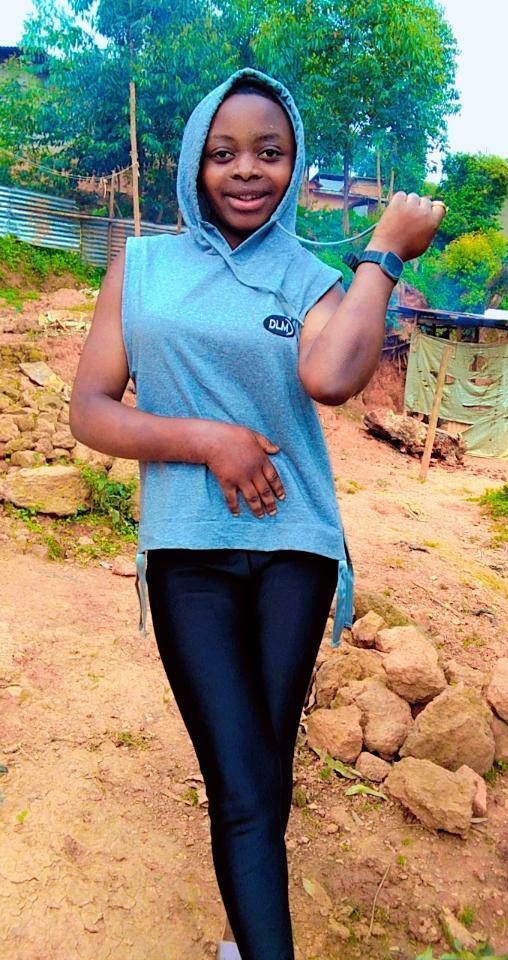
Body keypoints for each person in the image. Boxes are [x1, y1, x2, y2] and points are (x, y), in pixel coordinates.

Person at [69, 67, 445, 960]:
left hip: (295, 547)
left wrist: (384, 257)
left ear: (294, 163)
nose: (247, 170)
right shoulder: (142, 268)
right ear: (195, 164)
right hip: (189, 549)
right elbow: (90, 410)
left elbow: (331, 377)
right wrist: (209, 441)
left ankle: (246, 941)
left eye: (269, 153)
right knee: (242, 782)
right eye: (224, 153)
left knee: (263, 771)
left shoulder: (310, 279)